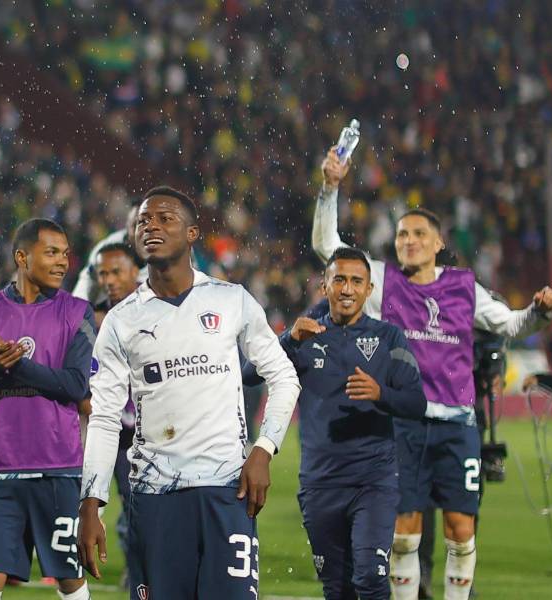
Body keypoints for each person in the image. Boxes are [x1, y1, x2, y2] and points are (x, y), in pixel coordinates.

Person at [314, 149, 552, 600]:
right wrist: (330, 188)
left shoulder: (464, 287)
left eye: (419, 234)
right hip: (402, 425)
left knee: (461, 530)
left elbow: (510, 324)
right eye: (403, 233)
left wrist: (539, 314)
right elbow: (328, 248)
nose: (408, 240)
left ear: (437, 243)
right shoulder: (383, 282)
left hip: (457, 426)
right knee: (404, 533)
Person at [78, 187, 301, 599]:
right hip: (153, 499)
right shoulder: (120, 321)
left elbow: (284, 377)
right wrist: (90, 502)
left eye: (165, 219)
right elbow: (105, 417)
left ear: (193, 233)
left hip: (227, 490)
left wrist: (264, 448)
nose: (152, 226)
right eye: (144, 220)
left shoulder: (231, 300)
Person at [263, 247, 427, 599]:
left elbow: (416, 403)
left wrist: (381, 393)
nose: (347, 289)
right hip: (320, 484)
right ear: (325, 286)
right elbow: (249, 374)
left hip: (374, 481)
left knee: (369, 577)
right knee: (336, 587)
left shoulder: (389, 338)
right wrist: (288, 340)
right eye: (339, 279)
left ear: (369, 290)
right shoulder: (305, 336)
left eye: (357, 281)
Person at [0, 218, 95, 600]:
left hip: (59, 468)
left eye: (65, 253)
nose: (62, 262)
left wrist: (16, 363)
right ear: (22, 256)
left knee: (71, 580)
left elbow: (75, 384)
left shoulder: (76, 312)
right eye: (51, 252)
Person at [90, 241, 142, 588]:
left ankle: (148, 567)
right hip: (116, 428)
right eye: (103, 274)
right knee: (128, 500)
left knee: (147, 504)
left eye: (116, 272)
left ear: (136, 272)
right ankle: (138, 569)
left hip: (154, 430)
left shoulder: (155, 308)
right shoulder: (93, 317)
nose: (109, 280)